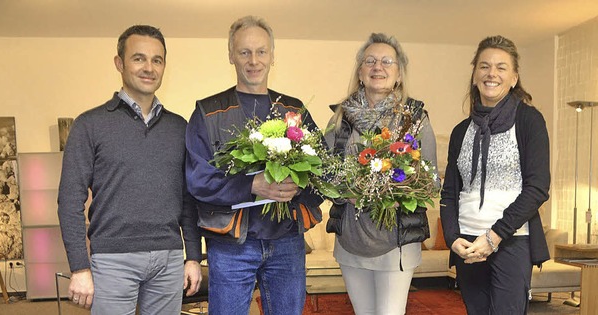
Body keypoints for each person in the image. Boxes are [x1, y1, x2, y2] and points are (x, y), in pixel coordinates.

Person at [57, 25, 202, 314]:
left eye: (157, 60)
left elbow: (188, 198)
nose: (149, 67)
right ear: (119, 63)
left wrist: (193, 256)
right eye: (139, 58)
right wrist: (79, 267)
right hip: (112, 259)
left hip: (169, 257)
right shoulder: (90, 124)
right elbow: (69, 200)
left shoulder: (179, 128)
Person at [185, 15, 324, 315]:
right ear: (231, 55)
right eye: (244, 52)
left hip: (288, 241)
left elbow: (321, 171)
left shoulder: (294, 110)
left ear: (273, 56)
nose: (253, 60)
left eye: (261, 51)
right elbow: (197, 181)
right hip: (231, 246)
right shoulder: (208, 112)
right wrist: (252, 185)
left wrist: (297, 187)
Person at [324, 33, 438, 315]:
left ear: (399, 74)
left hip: (396, 240)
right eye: (370, 61)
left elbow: (431, 179)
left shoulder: (414, 118)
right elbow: (324, 173)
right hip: (351, 238)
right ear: (360, 72)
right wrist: (346, 190)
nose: (378, 67)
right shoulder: (340, 117)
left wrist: (401, 194)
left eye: (387, 61)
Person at [440, 35, 550, 314]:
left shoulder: (529, 121)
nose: (492, 73)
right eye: (484, 66)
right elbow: (450, 192)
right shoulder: (461, 131)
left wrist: (494, 237)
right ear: (475, 74)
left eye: (501, 67)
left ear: (514, 78)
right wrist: (453, 238)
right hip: (467, 242)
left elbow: (537, 188)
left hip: (512, 241)